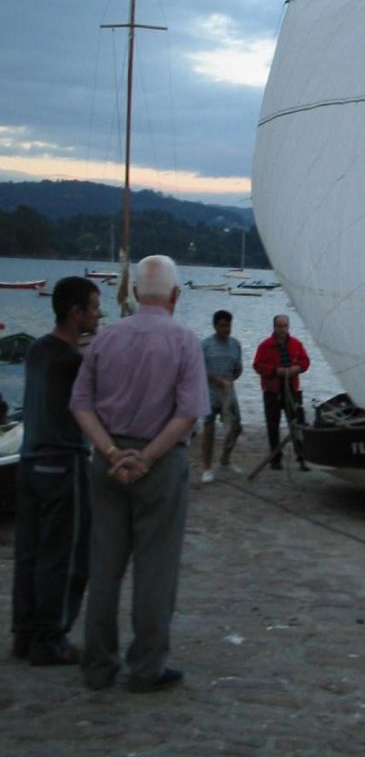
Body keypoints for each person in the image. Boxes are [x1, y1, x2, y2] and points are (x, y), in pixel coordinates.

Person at [71, 255, 209, 692]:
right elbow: (188, 414)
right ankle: (146, 667)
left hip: (107, 463)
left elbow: (80, 404)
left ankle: (98, 665)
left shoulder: (105, 339)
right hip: (161, 465)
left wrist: (111, 451)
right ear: (175, 295)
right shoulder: (185, 342)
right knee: (156, 568)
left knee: (105, 566)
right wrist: (146, 457)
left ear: (133, 294)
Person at [11, 276, 101, 665]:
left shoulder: (37, 351)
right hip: (63, 464)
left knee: (29, 553)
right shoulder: (71, 363)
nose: (99, 314)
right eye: (95, 307)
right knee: (65, 557)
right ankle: (51, 637)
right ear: (74, 312)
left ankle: (25, 632)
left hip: (29, 464)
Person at [253, 314, 310, 470]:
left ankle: (302, 459)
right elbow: (257, 365)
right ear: (274, 327)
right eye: (279, 326)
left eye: (285, 326)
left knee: (298, 424)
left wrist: (297, 368)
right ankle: (275, 460)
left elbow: (306, 362)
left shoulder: (296, 344)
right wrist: (275, 371)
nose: (282, 329)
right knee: (273, 426)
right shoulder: (265, 346)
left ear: (288, 327)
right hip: (272, 391)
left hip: (292, 390)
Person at [200, 309, 243, 483]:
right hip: (210, 393)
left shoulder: (235, 344)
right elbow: (199, 371)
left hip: (229, 393)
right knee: (209, 429)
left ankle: (225, 458)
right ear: (216, 326)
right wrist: (217, 380)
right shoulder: (205, 345)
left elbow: (238, 368)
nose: (226, 329)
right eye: (223, 326)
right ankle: (207, 468)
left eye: (229, 325)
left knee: (236, 427)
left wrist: (233, 377)